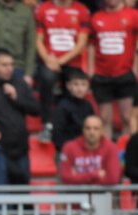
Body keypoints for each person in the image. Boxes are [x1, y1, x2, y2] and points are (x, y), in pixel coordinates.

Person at [0, 48, 40, 185]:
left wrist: (16, 98)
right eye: (4, 65)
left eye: (11, 64)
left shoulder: (19, 83)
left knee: (24, 194)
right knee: (1, 196)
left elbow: (36, 109)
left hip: (21, 150)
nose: (9, 69)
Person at [34, 0, 90, 141]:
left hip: (71, 61)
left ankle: (74, 127)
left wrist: (60, 61)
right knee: (47, 78)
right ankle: (47, 124)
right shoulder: (43, 9)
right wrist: (48, 60)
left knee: (76, 86)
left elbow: (82, 43)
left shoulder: (82, 10)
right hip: (49, 60)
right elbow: (38, 40)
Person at [89, 0, 138, 139]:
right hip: (101, 75)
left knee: (127, 118)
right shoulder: (96, 18)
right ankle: (108, 155)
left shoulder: (133, 15)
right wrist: (91, 70)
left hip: (125, 73)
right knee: (104, 119)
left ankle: (126, 156)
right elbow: (92, 45)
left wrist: (135, 68)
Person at [60, 115, 122, 185]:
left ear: (102, 131)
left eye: (96, 129)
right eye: (88, 128)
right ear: (83, 130)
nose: (91, 132)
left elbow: (113, 179)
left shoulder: (111, 147)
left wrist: (77, 177)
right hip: (76, 194)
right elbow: (65, 177)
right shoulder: (69, 147)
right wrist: (96, 174)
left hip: (102, 194)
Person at [51, 69, 95, 152]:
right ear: (68, 86)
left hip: (86, 149)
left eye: (83, 85)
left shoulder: (88, 106)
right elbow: (57, 133)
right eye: (76, 84)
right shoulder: (63, 106)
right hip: (67, 150)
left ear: (88, 87)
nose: (79, 88)